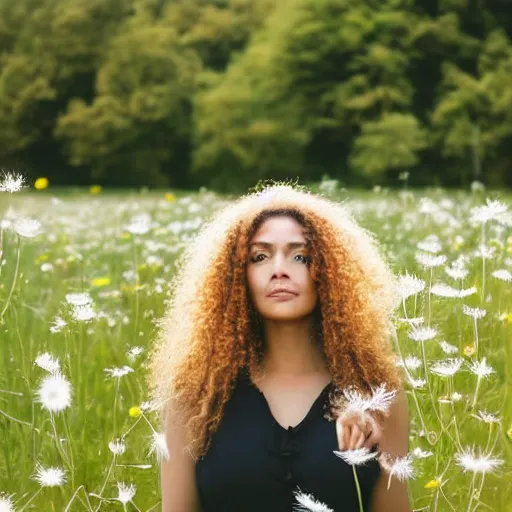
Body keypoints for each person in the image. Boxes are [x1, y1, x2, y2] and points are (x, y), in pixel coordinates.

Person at [148, 183, 411, 512]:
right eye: (259, 257)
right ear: (234, 277)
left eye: (300, 256)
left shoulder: (376, 395)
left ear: (330, 272)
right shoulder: (194, 396)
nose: (279, 270)